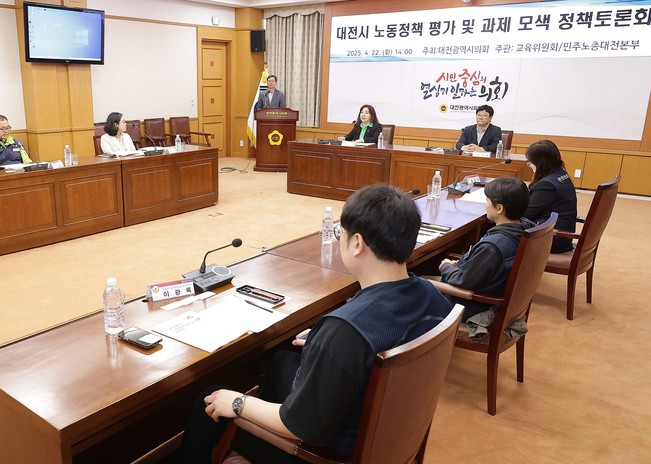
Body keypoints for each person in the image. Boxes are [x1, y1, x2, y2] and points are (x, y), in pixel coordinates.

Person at [178, 184, 453, 464]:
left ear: (357, 244)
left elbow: (300, 427)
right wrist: (326, 346)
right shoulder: (432, 296)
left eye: (341, 233)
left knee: (208, 400)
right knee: (282, 362)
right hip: (388, 431)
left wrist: (239, 403)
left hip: (328, 453)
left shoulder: (344, 332)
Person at [438, 177, 535, 320]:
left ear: (499, 208)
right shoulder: (525, 228)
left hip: (471, 306)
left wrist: (446, 266)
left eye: (487, 200)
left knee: (418, 284)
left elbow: (461, 280)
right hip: (490, 293)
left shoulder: (492, 247)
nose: (485, 205)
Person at [524, 140, 578, 253]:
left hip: (551, 238)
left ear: (540, 164)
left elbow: (526, 214)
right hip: (560, 234)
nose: (530, 166)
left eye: (530, 162)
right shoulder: (561, 174)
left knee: (499, 230)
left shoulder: (547, 185)